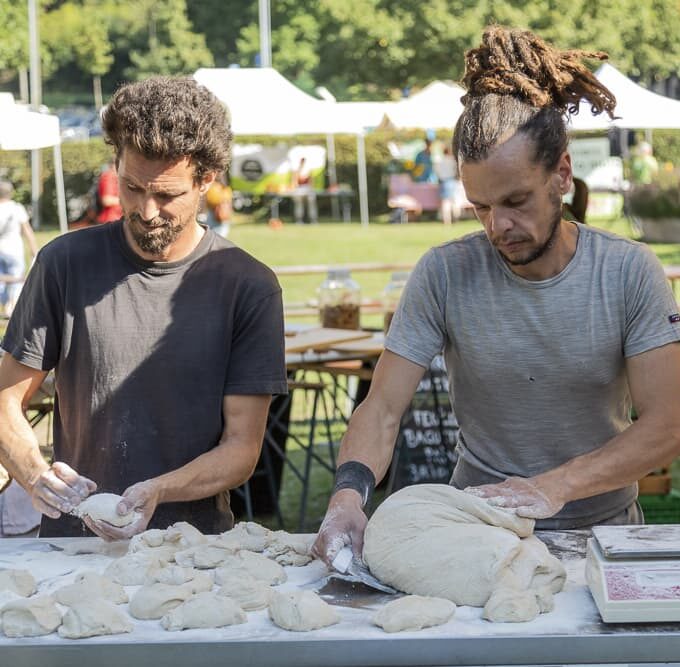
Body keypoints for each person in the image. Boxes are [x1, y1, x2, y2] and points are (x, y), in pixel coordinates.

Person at [312, 27, 680, 564]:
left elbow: (667, 424)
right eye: (479, 206)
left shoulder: (628, 271)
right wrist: (348, 494)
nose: (498, 225)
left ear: (562, 174)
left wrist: (552, 487)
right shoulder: (443, 272)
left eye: (515, 200)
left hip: (602, 534)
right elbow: (383, 408)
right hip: (478, 531)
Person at [0, 76, 288, 539]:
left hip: (193, 549)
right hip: (73, 547)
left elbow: (241, 448)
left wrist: (158, 489)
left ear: (206, 180)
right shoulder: (64, 263)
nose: (147, 210)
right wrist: (36, 475)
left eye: (167, 195)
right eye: (132, 187)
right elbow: (5, 401)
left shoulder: (249, 285)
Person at [0, 179, 38, 318]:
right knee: (16, 278)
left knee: (2, 280)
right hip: (13, 250)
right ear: (11, 193)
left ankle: (5, 306)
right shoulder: (16, 208)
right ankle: (11, 307)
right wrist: (33, 248)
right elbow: (27, 229)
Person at [434, 146, 462, 224]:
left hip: (443, 181)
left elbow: (437, 172)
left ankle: (447, 220)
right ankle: (456, 218)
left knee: (445, 202)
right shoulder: (452, 161)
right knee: (454, 201)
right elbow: (457, 171)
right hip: (452, 181)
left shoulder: (439, 161)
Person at [291, 157, 318, 224]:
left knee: (311, 204)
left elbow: (311, 181)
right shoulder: (297, 170)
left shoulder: (308, 170)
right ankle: (299, 220)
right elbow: (295, 181)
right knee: (299, 204)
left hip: (308, 188)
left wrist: (311, 188)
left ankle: (313, 220)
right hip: (299, 189)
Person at [95, 159, 123, 223]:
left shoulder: (117, 178)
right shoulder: (109, 176)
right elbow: (107, 200)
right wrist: (126, 201)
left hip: (117, 219)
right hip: (110, 219)